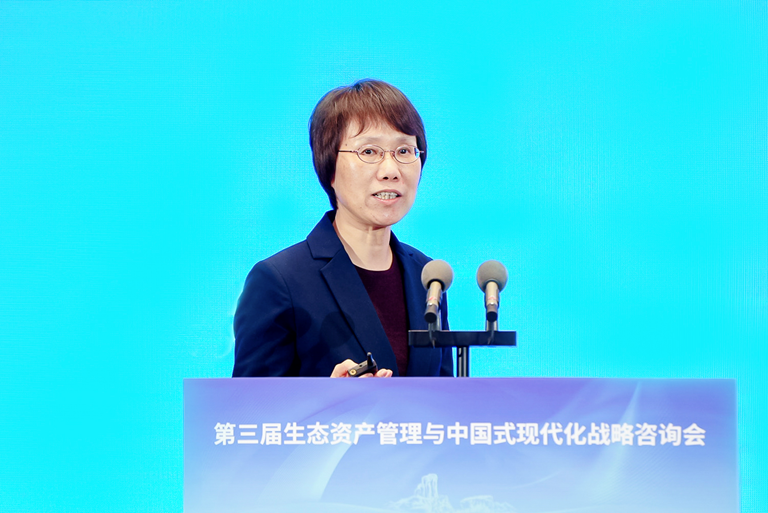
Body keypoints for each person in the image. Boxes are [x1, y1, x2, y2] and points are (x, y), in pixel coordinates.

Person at [232, 79, 453, 378]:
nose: (391, 171)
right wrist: (327, 397)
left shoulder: (427, 277)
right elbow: (248, 405)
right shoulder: (279, 281)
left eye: (404, 151)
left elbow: (444, 397)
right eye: (369, 152)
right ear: (330, 167)